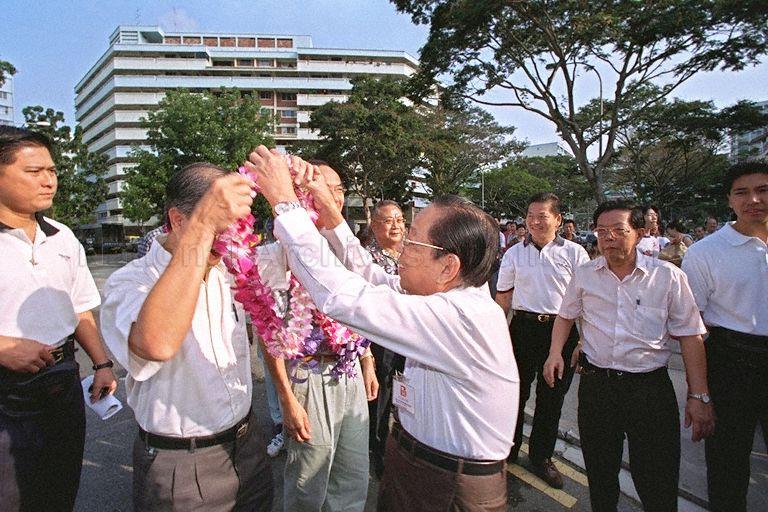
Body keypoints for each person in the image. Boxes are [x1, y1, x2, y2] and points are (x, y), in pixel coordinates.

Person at [245, 146, 519, 512]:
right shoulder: (446, 298)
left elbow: (344, 295)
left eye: (414, 240)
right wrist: (330, 214)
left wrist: (284, 202)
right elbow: (370, 276)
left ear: (447, 266)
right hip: (423, 466)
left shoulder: (460, 318)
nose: (402, 249)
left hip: (447, 487)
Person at [100, 163, 273, 511]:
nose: (230, 240)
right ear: (179, 220)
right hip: (182, 464)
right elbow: (156, 344)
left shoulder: (229, 271)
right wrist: (203, 229)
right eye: (220, 223)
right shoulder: (131, 282)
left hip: (248, 444)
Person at [543, 199, 715, 512]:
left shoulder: (667, 277)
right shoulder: (584, 275)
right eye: (601, 231)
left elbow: (691, 337)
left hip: (649, 391)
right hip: (598, 388)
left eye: (618, 231)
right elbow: (566, 315)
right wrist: (555, 352)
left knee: (657, 481)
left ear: (638, 232)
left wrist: (699, 395)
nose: (608, 238)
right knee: (601, 475)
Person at [0, 126, 118, 512]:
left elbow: (80, 307)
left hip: (60, 380)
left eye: (52, 170)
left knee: (59, 488)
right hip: (6, 390)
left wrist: (101, 363)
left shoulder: (63, 237)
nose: (49, 180)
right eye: (34, 171)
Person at [257, 161, 378, 512]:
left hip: (349, 370)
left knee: (353, 474)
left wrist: (366, 361)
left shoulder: (349, 247)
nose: (331, 196)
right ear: (299, 194)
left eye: (337, 189)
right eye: (318, 186)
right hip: (307, 376)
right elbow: (269, 333)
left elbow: (363, 308)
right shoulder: (276, 251)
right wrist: (285, 398)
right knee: (308, 479)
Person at [681, 161, 768, 512]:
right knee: (728, 467)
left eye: (762, 190)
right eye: (742, 192)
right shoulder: (705, 253)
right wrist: (699, 394)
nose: (754, 200)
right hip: (732, 363)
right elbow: (692, 330)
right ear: (729, 200)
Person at [495, 193, 589, 488]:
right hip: (522, 330)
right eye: (530, 216)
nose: (535, 222)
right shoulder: (513, 253)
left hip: (560, 333)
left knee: (551, 399)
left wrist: (583, 341)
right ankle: (507, 450)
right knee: (515, 393)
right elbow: (504, 299)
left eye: (542, 216)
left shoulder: (575, 254)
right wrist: (495, 338)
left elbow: (587, 302)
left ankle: (541, 457)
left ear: (558, 220)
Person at [366, 199, 407, 478]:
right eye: (388, 220)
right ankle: (377, 452)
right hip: (380, 339)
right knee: (380, 400)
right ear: (373, 225)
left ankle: (405, 450)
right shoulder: (367, 259)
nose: (396, 225)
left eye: (400, 219)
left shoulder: (413, 254)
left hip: (410, 337)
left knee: (408, 398)